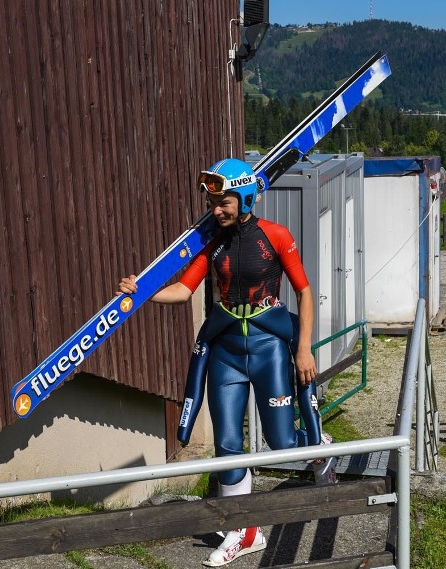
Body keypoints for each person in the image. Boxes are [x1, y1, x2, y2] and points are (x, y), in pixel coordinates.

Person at [117, 157, 333, 567]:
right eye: (213, 202)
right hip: (226, 355)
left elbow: (304, 293)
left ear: (247, 195)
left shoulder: (275, 236)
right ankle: (244, 531)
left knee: (282, 445)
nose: (216, 210)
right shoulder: (212, 241)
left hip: (270, 348)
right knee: (228, 447)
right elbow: (183, 290)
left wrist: (303, 349)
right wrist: (139, 292)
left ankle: (318, 444)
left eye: (224, 201)